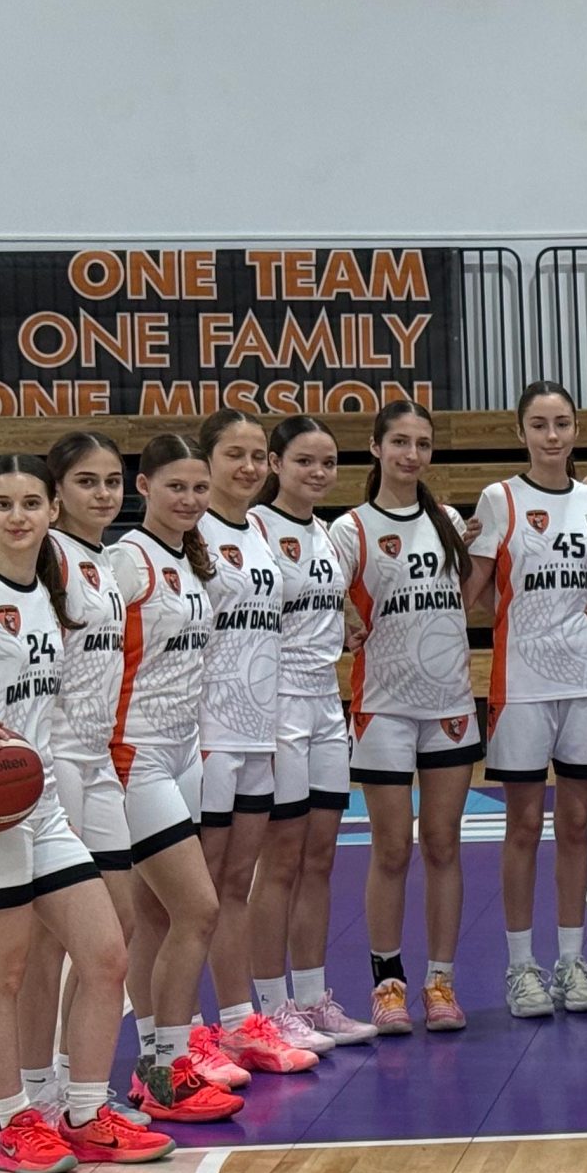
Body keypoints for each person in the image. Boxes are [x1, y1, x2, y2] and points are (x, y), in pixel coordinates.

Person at [0, 457, 172, 1173]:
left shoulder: (52, 595)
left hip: (42, 805)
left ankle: (84, 1113)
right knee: (3, 973)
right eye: (2, 503)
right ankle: (15, 1122)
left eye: (29, 503)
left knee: (106, 955)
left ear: (51, 510)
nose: (16, 516)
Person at [11, 432, 171, 1134]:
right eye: (86, 481)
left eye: (112, 481)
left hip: (99, 761)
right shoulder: (43, 558)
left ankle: (78, 1081)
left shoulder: (109, 565)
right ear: (56, 492)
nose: (103, 493)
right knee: (50, 939)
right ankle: (38, 1091)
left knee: (118, 925)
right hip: (52, 765)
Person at [107, 435, 245, 1120]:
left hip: (182, 751)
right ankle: (167, 1064)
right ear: (144, 486)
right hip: (134, 754)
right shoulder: (125, 561)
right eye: (175, 487)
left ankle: (155, 1061)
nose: (190, 499)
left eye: (198, 488)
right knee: (200, 909)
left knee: (157, 915)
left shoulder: (192, 558)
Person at [467, 380, 587, 1021]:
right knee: (523, 826)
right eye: (539, 424)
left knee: (576, 825)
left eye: (562, 424)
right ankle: (521, 966)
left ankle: (572, 960)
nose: (552, 436)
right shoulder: (499, 499)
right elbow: (472, 592)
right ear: (520, 431)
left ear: (577, 430)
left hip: (585, 681)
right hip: (521, 685)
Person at [334, 400, 478, 1035]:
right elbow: (324, 600)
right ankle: (386, 983)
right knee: (392, 848)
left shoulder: (449, 521)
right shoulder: (350, 530)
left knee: (443, 843)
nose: (411, 453)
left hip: (449, 704)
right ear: (376, 447)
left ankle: (440, 981)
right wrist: (345, 618)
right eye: (399, 441)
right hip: (384, 706)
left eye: (421, 443)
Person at [193, 409, 317, 1079]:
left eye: (255, 455)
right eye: (232, 454)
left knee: (237, 882)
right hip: (206, 735)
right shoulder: (191, 534)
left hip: (258, 728)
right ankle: (184, 1035)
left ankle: (240, 1024)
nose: (246, 466)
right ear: (206, 461)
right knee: (197, 896)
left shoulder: (263, 535)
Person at [248, 416, 375, 1050]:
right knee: (280, 860)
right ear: (275, 464)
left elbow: (324, 603)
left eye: (328, 462)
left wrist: (346, 619)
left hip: (326, 703)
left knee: (320, 857)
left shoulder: (325, 533)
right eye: (304, 461)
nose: (319, 472)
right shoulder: (253, 529)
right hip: (276, 706)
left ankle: (312, 998)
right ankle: (271, 1008)